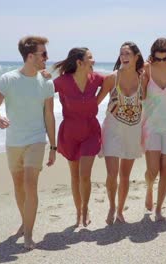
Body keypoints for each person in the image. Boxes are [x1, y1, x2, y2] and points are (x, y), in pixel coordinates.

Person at [0, 35, 56, 249]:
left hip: (36, 139)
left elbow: (49, 115)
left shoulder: (46, 82)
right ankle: (24, 222)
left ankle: (28, 234)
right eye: (43, 54)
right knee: (18, 186)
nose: (47, 57)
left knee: (30, 184)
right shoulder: (8, 79)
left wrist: (53, 146)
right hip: (14, 141)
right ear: (30, 56)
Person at [53, 47, 105, 227]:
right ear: (79, 63)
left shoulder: (96, 79)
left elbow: (115, 80)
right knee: (74, 175)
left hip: (90, 131)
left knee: (84, 175)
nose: (94, 61)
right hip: (70, 132)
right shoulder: (62, 82)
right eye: (90, 58)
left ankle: (85, 209)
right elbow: (40, 92)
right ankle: (78, 210)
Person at [97, 42, 146, 225]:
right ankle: (111, 206)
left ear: (136, 57)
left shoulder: (143, 79)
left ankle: (120, 210)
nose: (123, 56)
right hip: (112, 129)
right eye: (121, 53)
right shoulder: (112, 78)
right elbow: (94, 103)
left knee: (125, 175)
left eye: (127, 53)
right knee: (112, 173)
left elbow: (150, 100)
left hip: (133, 131)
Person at [142, 38, 166, 221]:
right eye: (158, 59)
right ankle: (149, 188)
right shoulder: (147, 68)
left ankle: (159, 209)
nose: (162, 62)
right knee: (153, 170)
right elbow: (139, 93)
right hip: (152, 125)